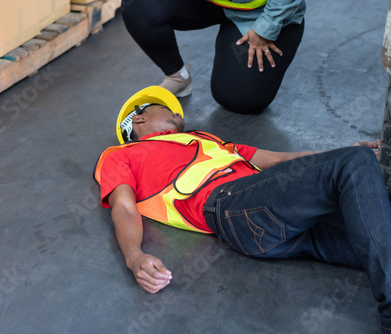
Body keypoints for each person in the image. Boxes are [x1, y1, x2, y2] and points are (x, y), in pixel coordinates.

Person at [93, 86, 391, 333]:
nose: (177, 112)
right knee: (356, 163)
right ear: (139, 119)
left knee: (375, 221)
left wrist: (342, 155)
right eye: (166, 108)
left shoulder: (206, 140)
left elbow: (276, 160)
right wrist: (134, 257)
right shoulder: (122, 154)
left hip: (273, 214)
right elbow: (124, 206)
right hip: (232, 207)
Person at [121, 0, 306, 114]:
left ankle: (260, 29)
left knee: (239, 99)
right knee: (138, 5)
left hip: (262, 14)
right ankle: (178, 76)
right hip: (213, 4)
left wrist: (266, 27)